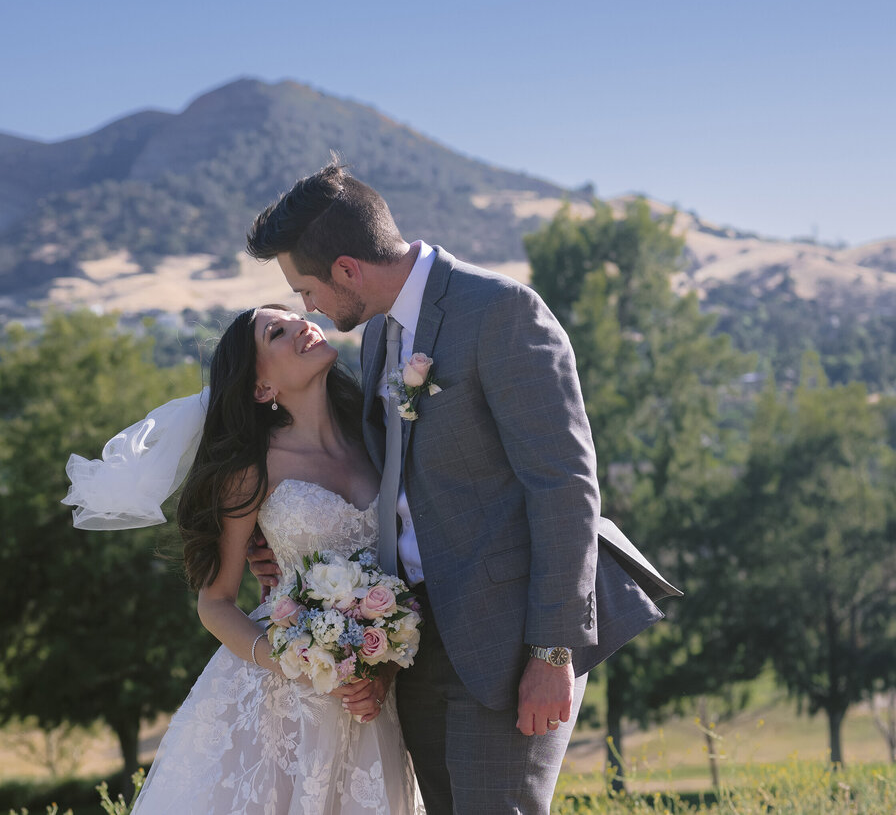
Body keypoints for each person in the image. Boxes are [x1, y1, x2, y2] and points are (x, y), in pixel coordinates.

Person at [245, 163, 671, 814]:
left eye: (306, 288)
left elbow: (564, 486)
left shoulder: (501, 312)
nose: (310, 308)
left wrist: (553, 650)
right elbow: (387, 477)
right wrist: (291, 550)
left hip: (508, 640)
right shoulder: (379, 336)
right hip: (415, 640)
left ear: (348, 269)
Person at [67, 305, 425, 814]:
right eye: (276, 332)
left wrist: (379, 665)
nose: (304, 324)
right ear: (261, 390)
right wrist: (294, 663)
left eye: (299, 316)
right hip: (285, 705)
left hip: (373, 698)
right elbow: (214, 603)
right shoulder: (251, 470)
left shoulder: (376, 438)